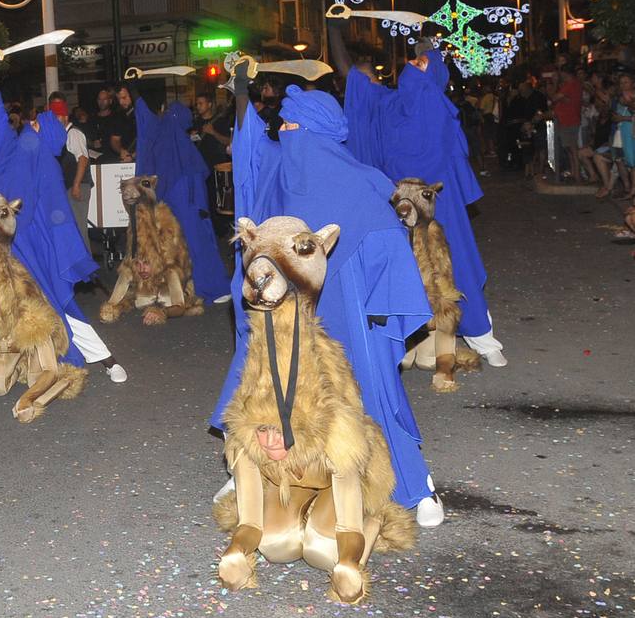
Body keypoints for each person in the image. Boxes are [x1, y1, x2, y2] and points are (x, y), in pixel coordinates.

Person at [210, 75, 443, 526]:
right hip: (289, 309)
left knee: (370, 392)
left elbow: (386, 244)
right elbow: (252, 148)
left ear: (314, 131)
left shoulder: (360, 182)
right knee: (272, 384)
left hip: (350, 309)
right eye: (284, 128)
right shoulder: (281, 172)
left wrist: (379, 311)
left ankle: (416, 487)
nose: (286, 135)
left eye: (293, 127)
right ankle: (251, 470)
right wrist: (239, 92)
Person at [0, 90, 127, 387]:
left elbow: (51, 214)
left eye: (41, 124)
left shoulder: (43, 159)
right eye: (37, 121)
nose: (34, 124)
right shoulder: (14, 147)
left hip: (27, 246)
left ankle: (107, 360)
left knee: (56, 304)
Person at [338, 32, 506, 367]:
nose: (414, 64)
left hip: (443, 208)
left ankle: (482, 337)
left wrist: (430, 49)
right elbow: (352, 78)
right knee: (403, 272)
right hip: (402, 208)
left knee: (460, 268)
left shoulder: (440, 112)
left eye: (421, 62)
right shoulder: (387, 105)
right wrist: (334, 26)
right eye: (412, 60)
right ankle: (402, 343)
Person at [134, 98, 230, 301]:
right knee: (198, 241)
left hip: (167, 202)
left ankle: (173, 290)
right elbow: (195, 173)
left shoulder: (161, 139)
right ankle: (212, 287)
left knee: (170, 245)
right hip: (189, 203)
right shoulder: (181, 144)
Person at [49, 93, 93, 254]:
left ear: (65, 116)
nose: (55, 120)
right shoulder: (61, 136)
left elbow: (82, 159)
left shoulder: (73, 134)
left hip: (77, 186)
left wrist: (75, 186)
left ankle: (87, 272)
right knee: (73, 230)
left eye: (58, 116)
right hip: (71, 187)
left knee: (79, 229)